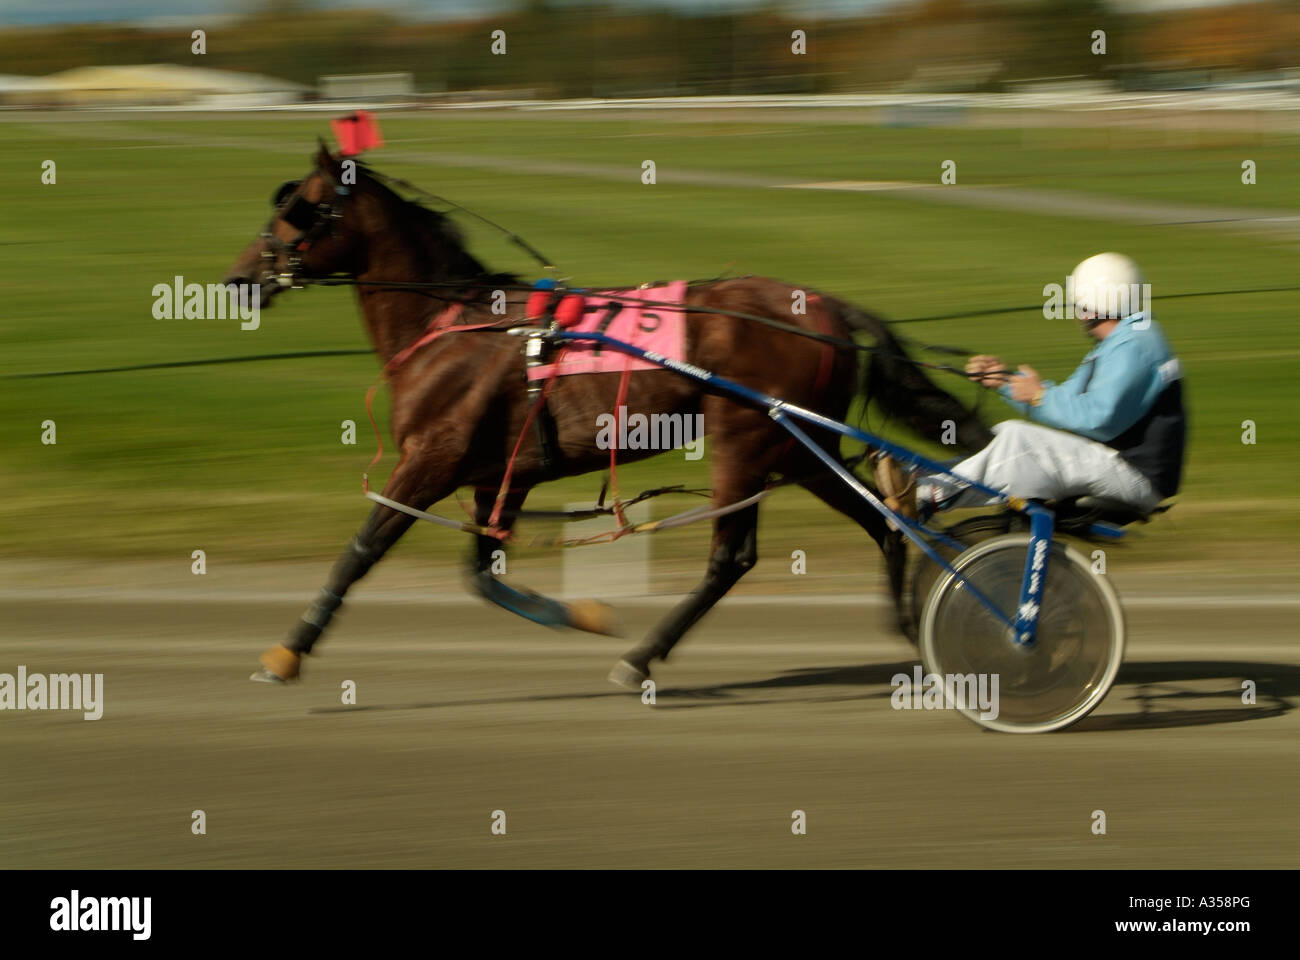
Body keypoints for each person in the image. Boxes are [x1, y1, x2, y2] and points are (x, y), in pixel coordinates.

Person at [875, 252, 1187, 520]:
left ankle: (925, 495)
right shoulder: (1122, 342)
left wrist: (1038, 396)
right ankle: (919, 478)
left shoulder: (1134, 346)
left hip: (1135, 477)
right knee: (1002, 437)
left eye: (1078, 302)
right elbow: (1068, 400)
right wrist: (1006, 382)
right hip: (1115, 464)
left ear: (1093, 304)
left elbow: (1097, 419)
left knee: (1017, 438)